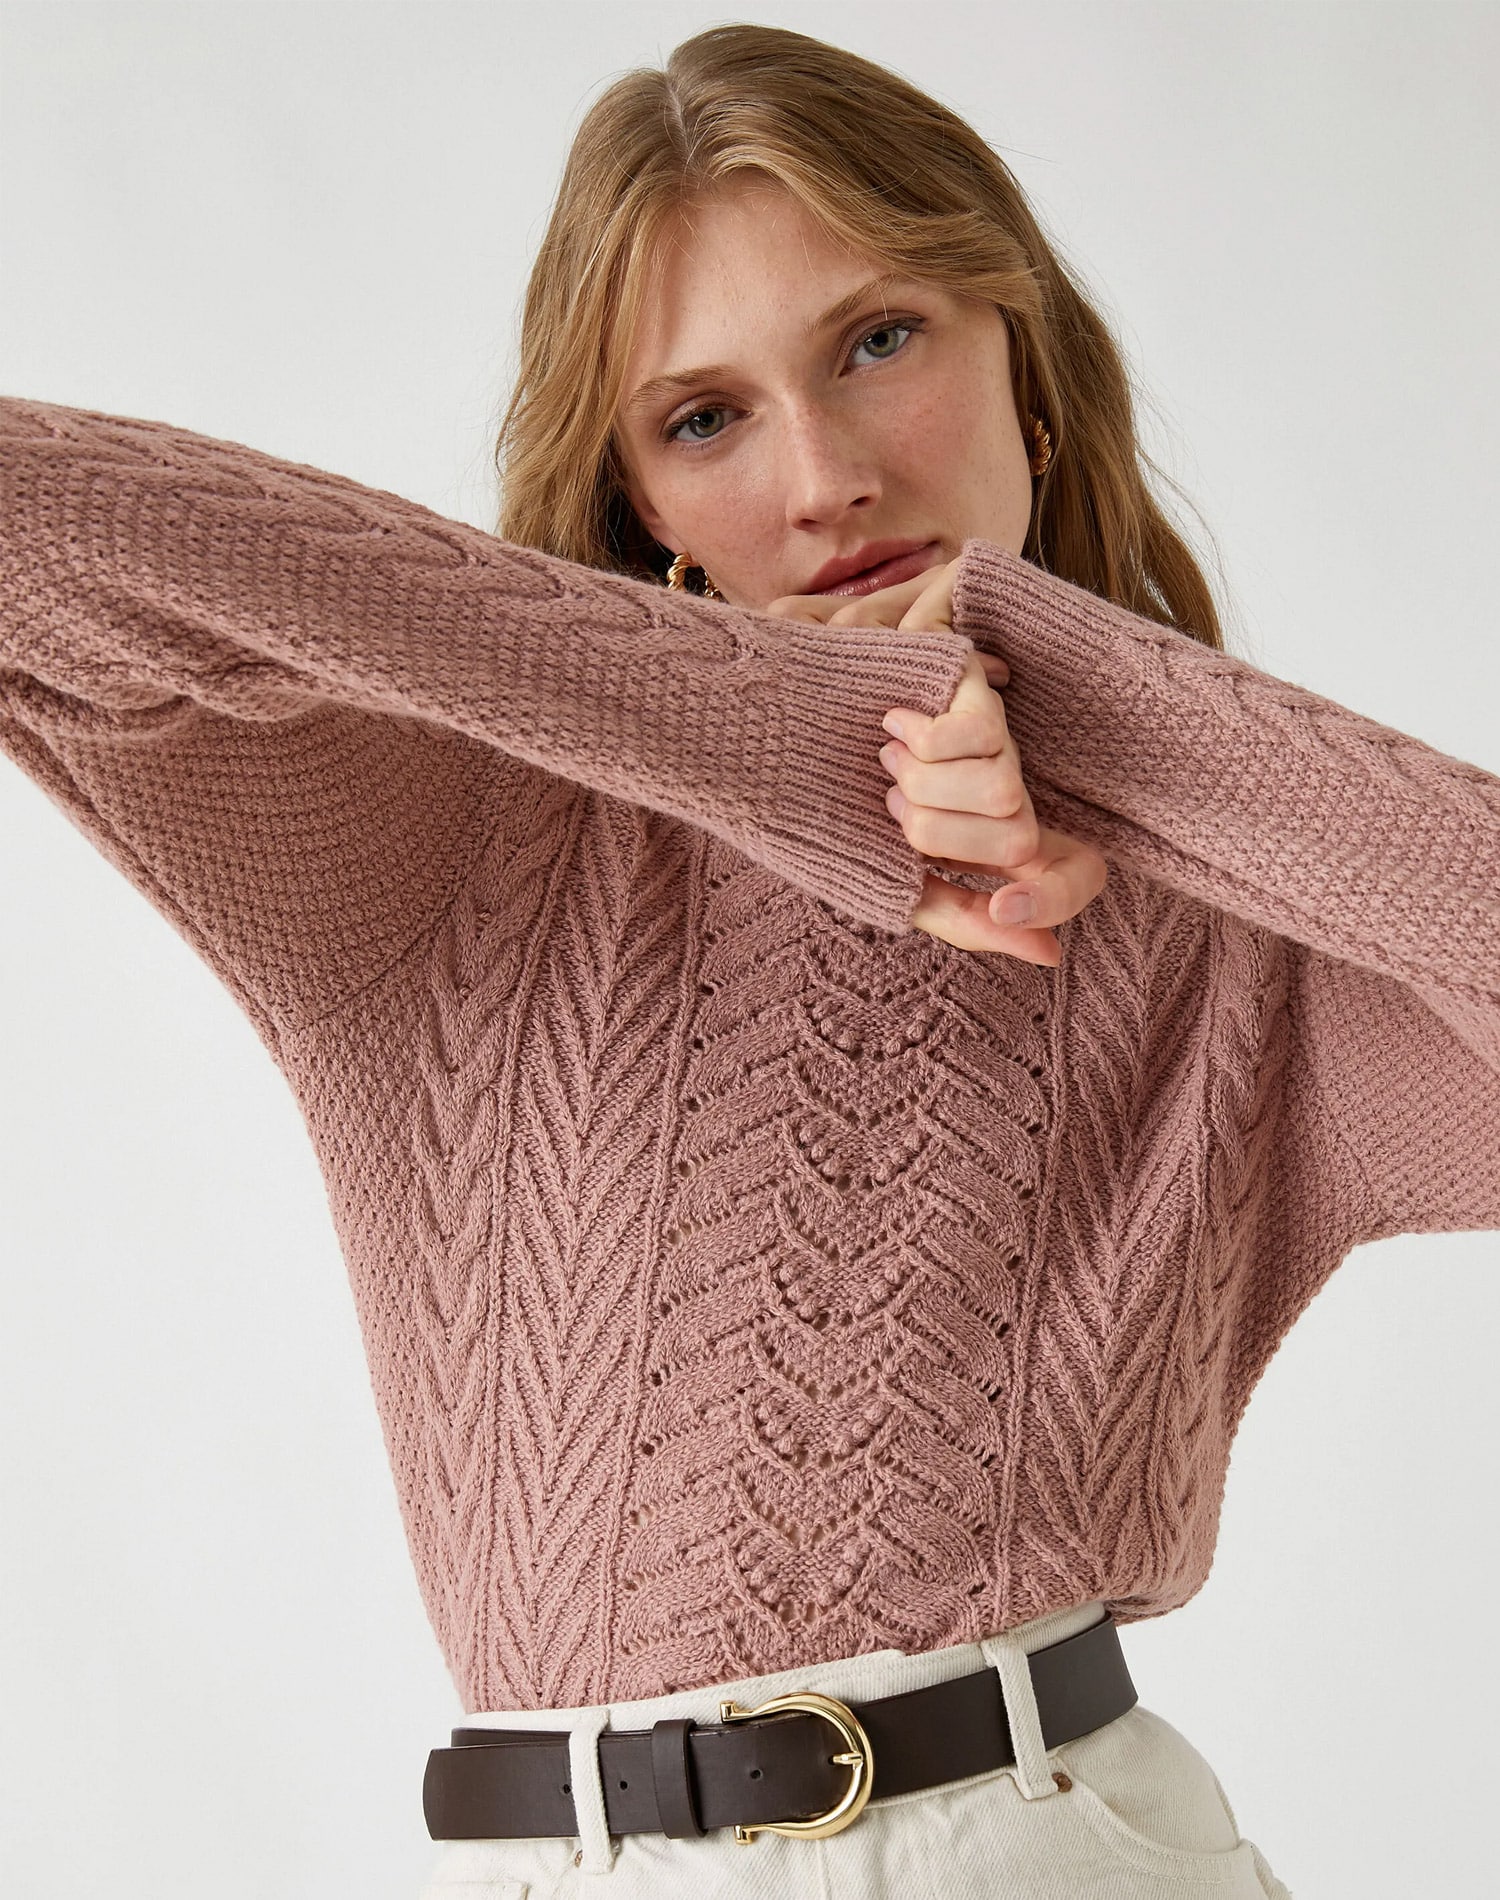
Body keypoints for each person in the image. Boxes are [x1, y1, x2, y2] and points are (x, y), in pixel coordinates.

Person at [2, 21, 1495, 1899]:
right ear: (639, 499)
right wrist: (791, 737)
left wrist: (1076, 715)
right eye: (702, 419)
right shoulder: (444, 843)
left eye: (880, 341)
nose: (825, 476)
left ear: (1026, 370)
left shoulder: (1240, 933)